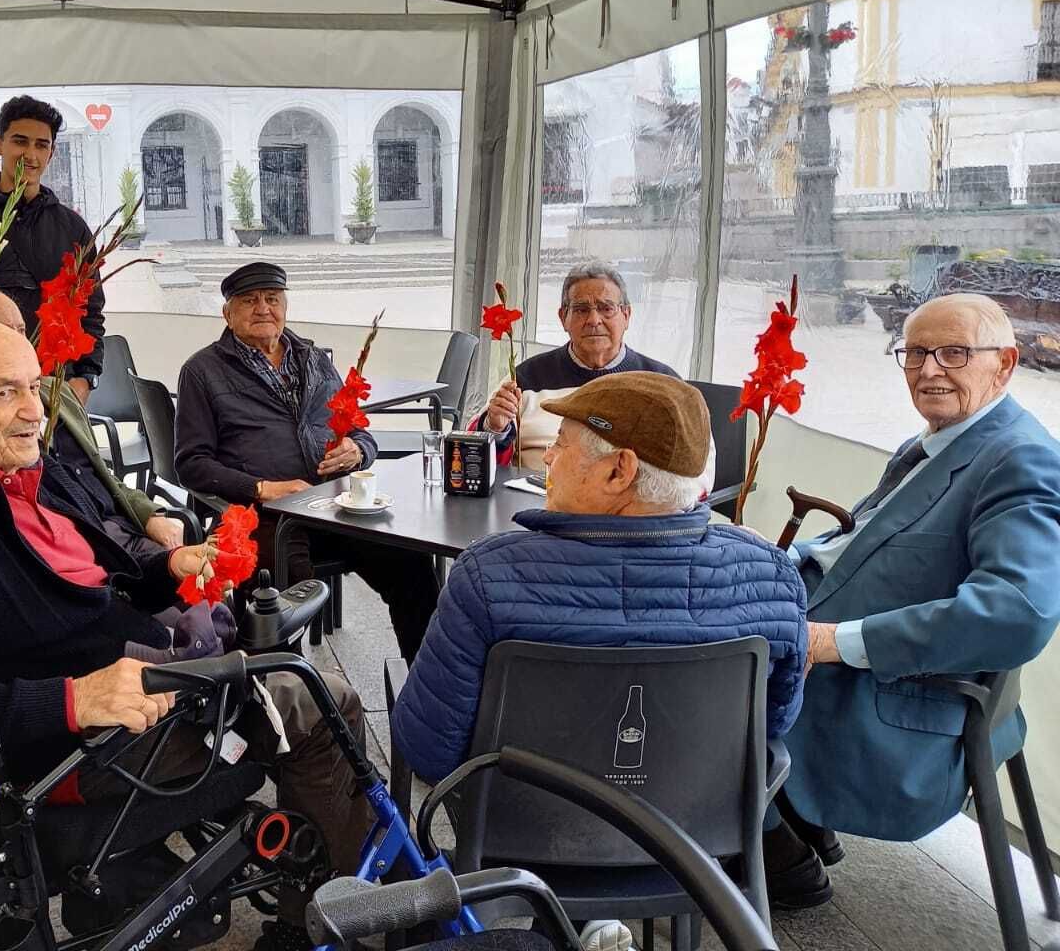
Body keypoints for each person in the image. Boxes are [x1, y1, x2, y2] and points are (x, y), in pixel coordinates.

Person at [0, 318, 374, 950]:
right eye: (5, 392)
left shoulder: (28, 470)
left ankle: (327, 878)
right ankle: (334, 918)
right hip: (73, 744)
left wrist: (168, 566)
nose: (35, 410)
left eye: (36, 387)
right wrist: (75, 699)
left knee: (277, 662)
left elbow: (99, 580)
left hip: (136, 671)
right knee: (322, 700)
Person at [393, 372, 807, 951]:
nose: (549, 460)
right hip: (692, 843)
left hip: (521, 833)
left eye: (560, 443)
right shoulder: (771, 577)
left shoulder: (489, 577)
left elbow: (428, 749)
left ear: (620, 471)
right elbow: (776, 724)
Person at [767, 293, 1060, 910]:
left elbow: (1017, 610)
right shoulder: (948, 439)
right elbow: (862, 535)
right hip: (830, 647)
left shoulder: (1021, 458)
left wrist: (832, 643)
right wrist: (783, 560)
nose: (930, 370)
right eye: (916, 352)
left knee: (687, 677)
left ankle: (773, 850)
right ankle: (798, 817)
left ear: (1004, 365)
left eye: (955, 353)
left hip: (893, 702)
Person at [173, 261, 441, 662]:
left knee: (413, 566)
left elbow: (360, 431)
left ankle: (427, 689)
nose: (263, 308)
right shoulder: (202, 371)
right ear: (227, 313)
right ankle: (287, 695)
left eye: (273, 299)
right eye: (249, 300)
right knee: (283, 597)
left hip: (336, 507)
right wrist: (262, 488)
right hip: (268, 517)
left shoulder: (314, 360)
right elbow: (190, 463)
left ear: (286, 306)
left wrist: (358, 449)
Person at [0, 288, 185, 554]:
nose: (19, 344)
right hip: (74, 547)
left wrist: (149, 514)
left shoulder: (59, 394)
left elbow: (103, 473)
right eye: (3, 334)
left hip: (118, 529)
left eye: (21, 331)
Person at [0, 94, 104, 404]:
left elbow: (91, 312)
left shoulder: (73, 228)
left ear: (52, 152)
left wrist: (85, 378)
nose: (30, 154)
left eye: (41, 145)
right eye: (20, 141)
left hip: (54, 391)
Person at [476, 262, 680, 469]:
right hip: (537, 497)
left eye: (606, 308)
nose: (594, 320)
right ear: (563, 318)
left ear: (626, 316)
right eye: (581, 310)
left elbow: (697, 471)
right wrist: (494, 428)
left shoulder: (663, 384)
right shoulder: (525, 379)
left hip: (630, 499)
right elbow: (472, 455)